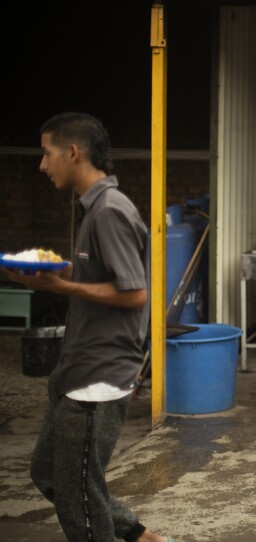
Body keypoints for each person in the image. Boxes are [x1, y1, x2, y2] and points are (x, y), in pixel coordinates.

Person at [3, 113, 172, 541]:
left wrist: (60, 284)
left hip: (99, 377)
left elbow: (135, 293)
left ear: (73, 152)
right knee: (51, 474)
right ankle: (139, 536)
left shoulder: (110, 212)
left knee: (79, 506)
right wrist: (51, 282)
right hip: (77, 371)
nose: (42, 165)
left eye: (47, 153)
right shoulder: (93, 208)